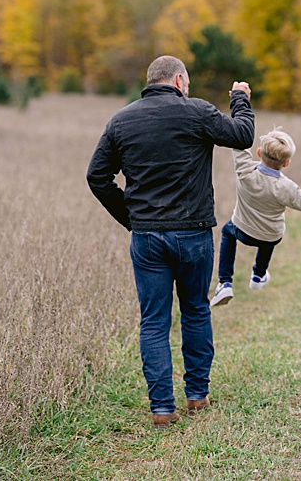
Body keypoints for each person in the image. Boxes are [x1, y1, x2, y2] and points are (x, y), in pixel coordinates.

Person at [87, 55, 254, 428]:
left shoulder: (121, 120)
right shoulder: (197, 112)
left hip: (147, 238)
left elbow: (97, 177)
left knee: (154, 322)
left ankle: (162, 407)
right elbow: (243, 135)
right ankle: (196, 395)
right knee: (195, 310)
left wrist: (131, 218)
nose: (189, 89)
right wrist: (240, 98)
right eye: (188, 83)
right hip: (194, 235)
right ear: (179, 80)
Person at [210, 128, 301, 307]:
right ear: (286, 163)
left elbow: (239, 144)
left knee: (227, 232)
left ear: (259, 152)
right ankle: (259, 274)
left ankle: (224, 282)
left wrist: (240, 115)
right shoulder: (286, 187)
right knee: (269, 237)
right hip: (271, 236)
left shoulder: (245, 171)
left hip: (242, 230)